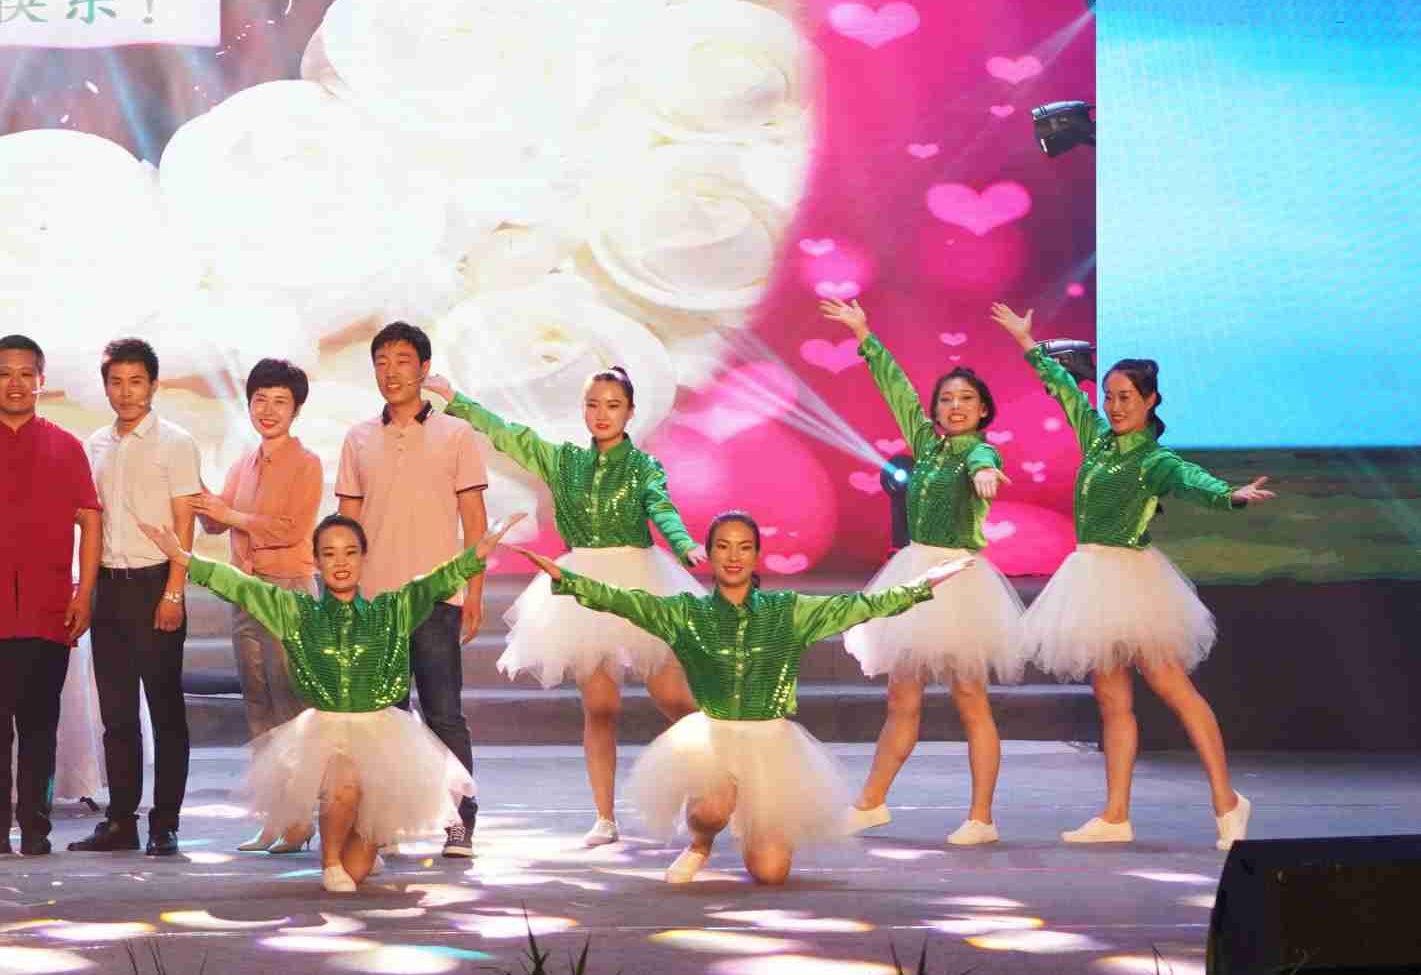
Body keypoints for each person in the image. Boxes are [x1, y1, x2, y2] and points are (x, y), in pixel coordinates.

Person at [516, 511, 977, 885]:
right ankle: (700, 843)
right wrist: (569, 579)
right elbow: (623, 600)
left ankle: (751, 819)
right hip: (713, 741)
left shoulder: (788, 612)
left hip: (772, 745)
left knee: (771, 873)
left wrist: (923, 584)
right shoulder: (686, 613)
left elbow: (861, 605)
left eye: (744, 547)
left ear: (757, 555)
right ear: (710, 554)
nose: (733, 556)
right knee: (710, 809)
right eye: (723, 546)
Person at [994, 303, 1273, 849]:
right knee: (1111, 699)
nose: (1115, 406)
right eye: (1110, 396)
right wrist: (1027, 342)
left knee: (1172, 687)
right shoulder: (1097, 438)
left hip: (1132, 581)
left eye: (1126, 397)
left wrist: (1229, 495)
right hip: (1091, 579)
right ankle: (1115, 814)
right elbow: (1063, 390)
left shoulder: (1154, 460)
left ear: (1149, 402)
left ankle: (1228, 802)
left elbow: (1190, 478)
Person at [134, 510, 521, 894]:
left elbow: (436, 582)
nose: (341, 562)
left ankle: (356, 847)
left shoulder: (393, 610)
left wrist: (479, 551)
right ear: (317, 561)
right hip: (326, 730)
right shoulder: (297, 613)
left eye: (350, 552)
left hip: (382, 731)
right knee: (344, 787)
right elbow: (241, 586)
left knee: (360, 865)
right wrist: (185, 558)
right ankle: (329, 859)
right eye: (330, 553)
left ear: (363, 558)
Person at [438, 364, 701, 846]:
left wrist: (684, 545)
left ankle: (709, 789)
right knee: (600, 706)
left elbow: (661, 506)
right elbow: (508, 436)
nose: (602, 414)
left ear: (630, 412)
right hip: (581, 586)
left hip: (641, 582)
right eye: (593, 404)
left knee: (677, 702)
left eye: (613, 405)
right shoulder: (564, 461)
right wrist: (457, 400)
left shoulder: (643, 466)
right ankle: (604, 817)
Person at [821, 299, 1026, 847]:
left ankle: (982, 817)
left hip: (959, 583)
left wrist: (983, 472)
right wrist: (864, 334)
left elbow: (984, 462)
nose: (955, 406)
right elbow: (897, 390)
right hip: (914, 576)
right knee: (901, 700)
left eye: (966, 399)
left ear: (984, 410)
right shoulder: (926, 444)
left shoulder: (982, 452)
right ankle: (870, 804)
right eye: (947, 399)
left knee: (970, 699)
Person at [0, 332, 102, 857]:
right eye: (4, 374)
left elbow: (90, 521)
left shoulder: (67, 446)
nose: (15, 383)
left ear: (40, 381)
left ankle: (36, 830)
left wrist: (84, 592)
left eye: (25, 374)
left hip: (48, 609)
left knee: (40, 728)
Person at [333, 321, 490, 855]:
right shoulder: (357, 438)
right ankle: (389, 821)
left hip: (435, 598)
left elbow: (475, 521)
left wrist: (474, 591)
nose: (391, 372)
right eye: (381, 362)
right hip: (375, 603)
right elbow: (345, 527)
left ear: (424, 369)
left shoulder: (457, 434)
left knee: (444, 713)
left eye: (402, 361)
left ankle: (459, 821)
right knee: (385, 719)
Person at [74, 337, 204, 857]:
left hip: (156, 584)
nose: (126, 392)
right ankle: (120, 821)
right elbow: (90, 522)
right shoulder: (94, 445)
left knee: (166, 712)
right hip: (109, 587)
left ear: (153, 385)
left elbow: (185, 522)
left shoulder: (176, 442)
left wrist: (175, 591)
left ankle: (165, 823)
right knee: (118, 716)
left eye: (136, 382)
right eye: (116, 382)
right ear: (105, 386)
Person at [194, 356, 325, 854]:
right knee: (257, 706)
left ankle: (301, 818)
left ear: (297, 410)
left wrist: (229, 514)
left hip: (289, 590)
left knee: (291, 706)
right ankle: (274, 817)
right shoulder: (241, 464)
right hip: (247, 592)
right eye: (260, 400)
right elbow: (217, 522)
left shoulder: (307, 463)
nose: (268, 411)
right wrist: (196, 495)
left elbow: (291, 529)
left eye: (280, 402)